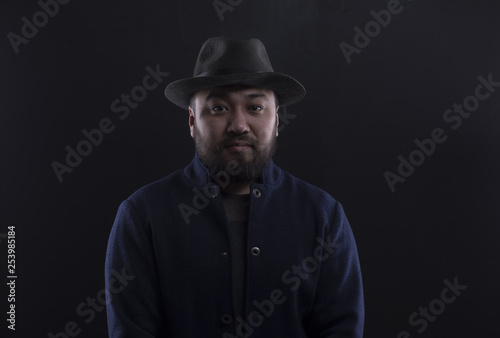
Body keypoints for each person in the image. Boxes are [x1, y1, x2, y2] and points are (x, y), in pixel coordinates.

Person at [105, 36, 364, 338]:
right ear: (192, 121)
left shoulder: (323, 214)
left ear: (276, 121)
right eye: (219, 108)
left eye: (255, 107)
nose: (239, 125)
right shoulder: (142, 215)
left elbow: (341, 329)